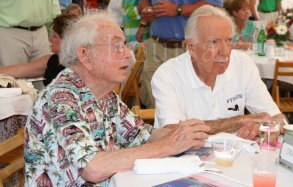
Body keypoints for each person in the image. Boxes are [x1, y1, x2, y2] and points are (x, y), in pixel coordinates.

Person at [24, 13, 210, 186]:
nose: (128, 54)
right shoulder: (61, 98)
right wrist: (168, 145)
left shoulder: (106, 95)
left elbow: (142, 135)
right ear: (85, 56)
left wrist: (186, 134)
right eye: (116, 46)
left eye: (124, 45)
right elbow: (92, 168)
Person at [152, 5, 286, 139]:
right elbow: (173, 133)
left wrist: (265, 127)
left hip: (235, 156)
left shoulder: (243, 64)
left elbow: (277, 117)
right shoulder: (167, 75)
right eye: (214, 42)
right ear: (192, 48)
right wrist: (237, 122)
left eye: (228, 40)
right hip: (184, 159)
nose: (225, 51)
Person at [0, 14, 77, 86]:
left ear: (67, 40)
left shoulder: (79, 65)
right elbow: (18, 70)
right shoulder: (52, 59)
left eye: (54, 36)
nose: (50, 39)